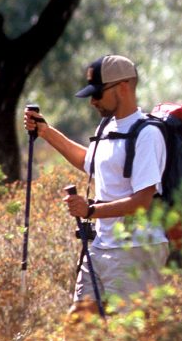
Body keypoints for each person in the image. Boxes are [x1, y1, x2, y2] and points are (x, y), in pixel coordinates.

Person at [24, 54, 169, 318]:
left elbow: (142, 202)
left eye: (98, 93)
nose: (92, 101)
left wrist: (90, 211)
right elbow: (88, 161)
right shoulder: (106, 128)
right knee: (79, 330)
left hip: (136, 251)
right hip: (101, 247)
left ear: (123, 87)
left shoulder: (147, 134)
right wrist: (46, 132)